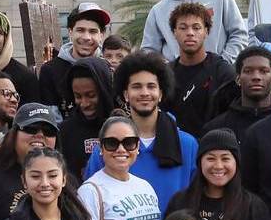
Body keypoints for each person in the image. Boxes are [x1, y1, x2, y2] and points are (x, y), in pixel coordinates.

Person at [85, 53, 201, 206]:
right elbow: (90, 200)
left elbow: (198, 199)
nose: (144, 93)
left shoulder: (187, 145)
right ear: (126, 94)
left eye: (151, 86)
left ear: (161, 93)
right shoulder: (108, 146)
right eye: (136, 87)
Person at [167, 3, 235, 138]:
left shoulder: (223, 72)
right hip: (176, 146)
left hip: (213, 147)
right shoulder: (165, 74)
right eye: (183, 28)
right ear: (174, 32)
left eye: (196, 27)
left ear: (206, 31)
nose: (190, 33)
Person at [39, 3, 112, 113]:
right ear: (70, 32)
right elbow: (51, 117)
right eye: (80, 30)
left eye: (93, 31)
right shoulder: (50, 71)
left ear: (101, 35)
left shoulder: (109, 69)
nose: (86, 37)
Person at [203, 46, 271, 140]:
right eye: (248, 71)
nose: (256, 77)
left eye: (263, 71)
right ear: (238, 79)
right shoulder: (217, 128)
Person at [53, 59, 116, 171]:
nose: (84, 103)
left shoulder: (122, 128)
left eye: (91, 95)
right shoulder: (64, 132)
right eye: (78, 96)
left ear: (104, 92)